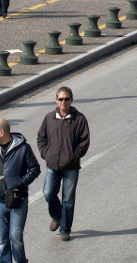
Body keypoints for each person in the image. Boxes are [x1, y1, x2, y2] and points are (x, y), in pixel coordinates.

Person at [37, 86, 90, 242]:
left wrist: (74, 156)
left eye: (67, 99)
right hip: (52, 164)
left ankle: (65, 229)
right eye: (61, 99)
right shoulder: (49, 118)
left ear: (71, 100)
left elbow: (84, 141)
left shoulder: (79, 119)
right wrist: (46, 154)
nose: (64, 102)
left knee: (68, 199)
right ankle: (56, 215)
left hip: (71, 166)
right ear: (56, 100)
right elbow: (41, 139)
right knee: (48, 193)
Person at [0, 118, 40, 263]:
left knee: (15, 236)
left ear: (1, 132)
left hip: (17, 200)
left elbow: (34, 169)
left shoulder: (23, 148)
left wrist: (20, 184)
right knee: (2, 238)